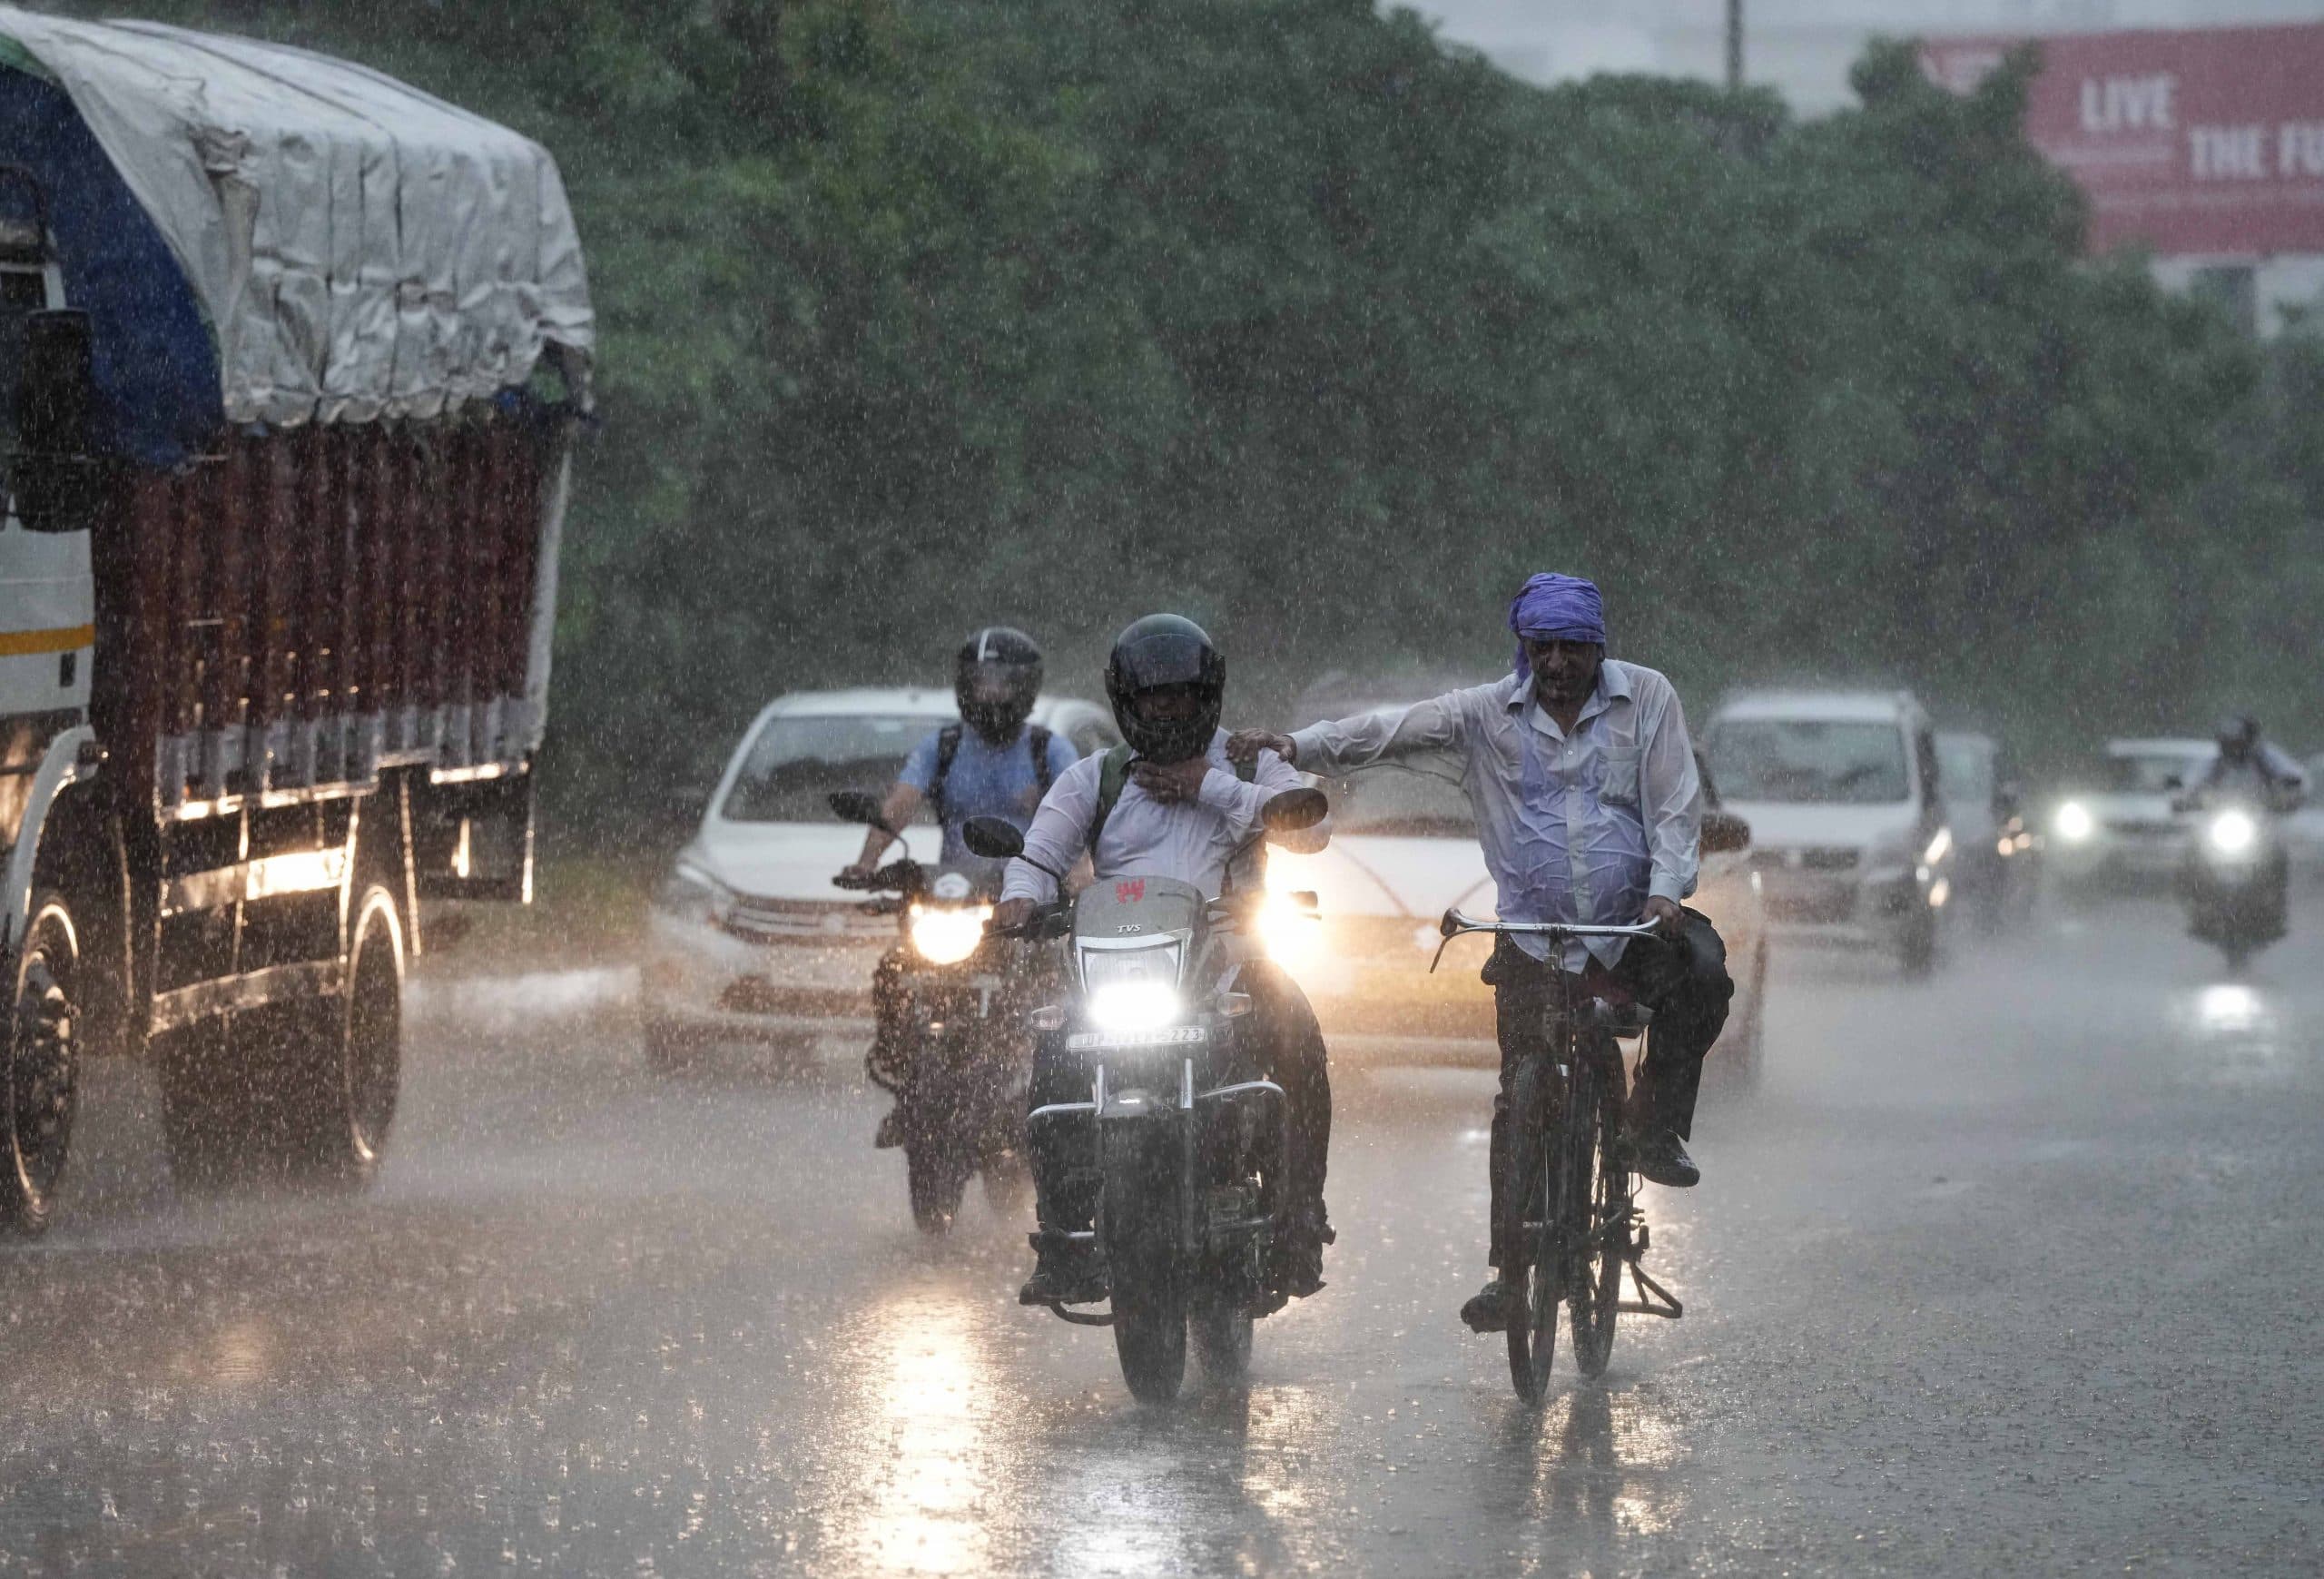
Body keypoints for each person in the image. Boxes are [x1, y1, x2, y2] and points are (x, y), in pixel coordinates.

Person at [1227, 572, 1732, 1337]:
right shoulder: (1485, 716)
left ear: (1599, 650)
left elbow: (1673, 807)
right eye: (1544, 648)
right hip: (1531, 938)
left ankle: (1653, 1124)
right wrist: (1296, 746)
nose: (1558, 662)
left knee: (1705, 972)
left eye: (1573, 648)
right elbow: (1387, 734)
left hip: (1634, 926)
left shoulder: (1649, 700)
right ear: (1524, 650)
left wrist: (1666, 893)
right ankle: (1512, 1269)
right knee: (1519, 1094)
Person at [994, 614, 1336, 1307]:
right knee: (1053, 1056)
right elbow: (1038, 855)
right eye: (1152, 699)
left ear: (1205, 694)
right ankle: (1061, 1239)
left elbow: (1313, 828)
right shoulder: (1097, 777)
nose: (1168, 708)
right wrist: (1022, 900)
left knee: (1299, 1036)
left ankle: (1300, 1218)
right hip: (1121, 972)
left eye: (1180, 695)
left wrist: (1206, 785)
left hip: (1233, 965)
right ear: (1128, 703)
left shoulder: (1247, 762)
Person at [839, 627, 1079, 1147]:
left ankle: (1051, 1101)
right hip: (952, 900)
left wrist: (1081, 884)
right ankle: (904, 1077)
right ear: (963, 685)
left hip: (1021, 907)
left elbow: (1079, 819)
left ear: (1026, 688)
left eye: (1001, 682)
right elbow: (900, 803)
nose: (989, 693)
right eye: (980, 680)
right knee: (893, 972)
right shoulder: (943, 747)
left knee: (1057, 996)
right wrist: (866, 863)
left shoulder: (1048, 750)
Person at [2191, 715, 2307, 811]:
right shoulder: (2217, 764)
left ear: (2249, 740)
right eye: (2229, 743)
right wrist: (2188, 796)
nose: (2234, 748)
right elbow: (2196, 781)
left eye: (2238, 742)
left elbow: (2292, 774)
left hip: (2264, 817)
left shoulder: (2265, 759)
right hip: (2221, 816)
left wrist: (2288, 786)